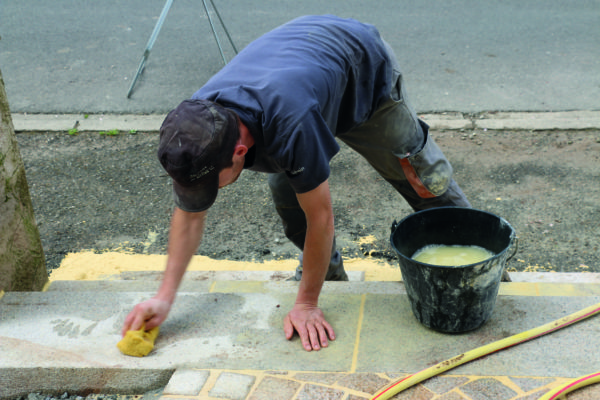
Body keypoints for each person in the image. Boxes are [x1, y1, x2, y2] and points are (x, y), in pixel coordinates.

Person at [121, 14, 470, 352]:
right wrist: (164, 296)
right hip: (302, 80)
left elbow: (322, 216)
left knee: (423, 180)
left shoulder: (290, 124)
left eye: (212, 183)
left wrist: (304, 303)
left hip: (361, 71)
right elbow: (189, 216)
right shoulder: (197, 127)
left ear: (240, 151)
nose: (206, 194)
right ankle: (330, 284)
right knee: (290, 198)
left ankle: (482, 275)